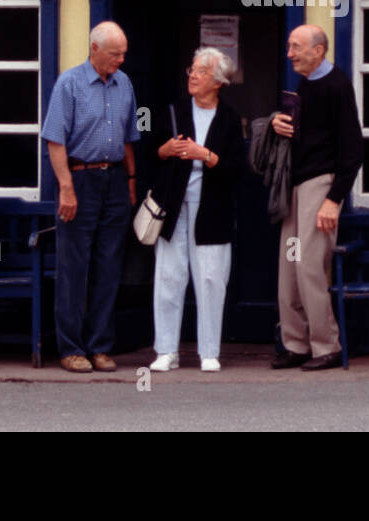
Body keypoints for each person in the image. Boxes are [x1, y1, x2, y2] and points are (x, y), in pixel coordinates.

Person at [41, 20, 139, 373]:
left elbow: (129, 138)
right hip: (79, 179)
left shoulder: (124, 83)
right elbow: (55, 139)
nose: (121, 60)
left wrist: (130, 181)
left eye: (124, 54)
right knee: (73, 267)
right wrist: (65, 187)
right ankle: (70, 348)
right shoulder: (69, 84)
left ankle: (100, 347)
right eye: (115, 54)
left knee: (109, 265)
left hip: (113, 179)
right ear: (94, 50)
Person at [269, 24, 363, 371]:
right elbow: (302, 130)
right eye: (290, 46)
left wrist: (333, 199)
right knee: (289, 268)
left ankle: (326, 346)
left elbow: (353, 150)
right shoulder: (306, 83)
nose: (289, 53)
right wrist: (278, 122)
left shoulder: (337, 85)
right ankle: (296, 344)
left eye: (296, 47)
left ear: (318, 50)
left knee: (309, 267)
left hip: (319, 187)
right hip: (295, 187)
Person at [149, 48, 245, 372]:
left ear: (217, 82)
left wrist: (205, 155)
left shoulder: (230, 119)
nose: (192, 75)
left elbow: (237, 169)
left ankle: (209, 352)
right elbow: (151, 152)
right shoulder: (173, 110)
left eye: (201, 71)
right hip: (173, 209)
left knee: (210, 279)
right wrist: (167, 150)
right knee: (168, 276)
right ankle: (166, 351)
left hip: (212, 210)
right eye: (192, 69)